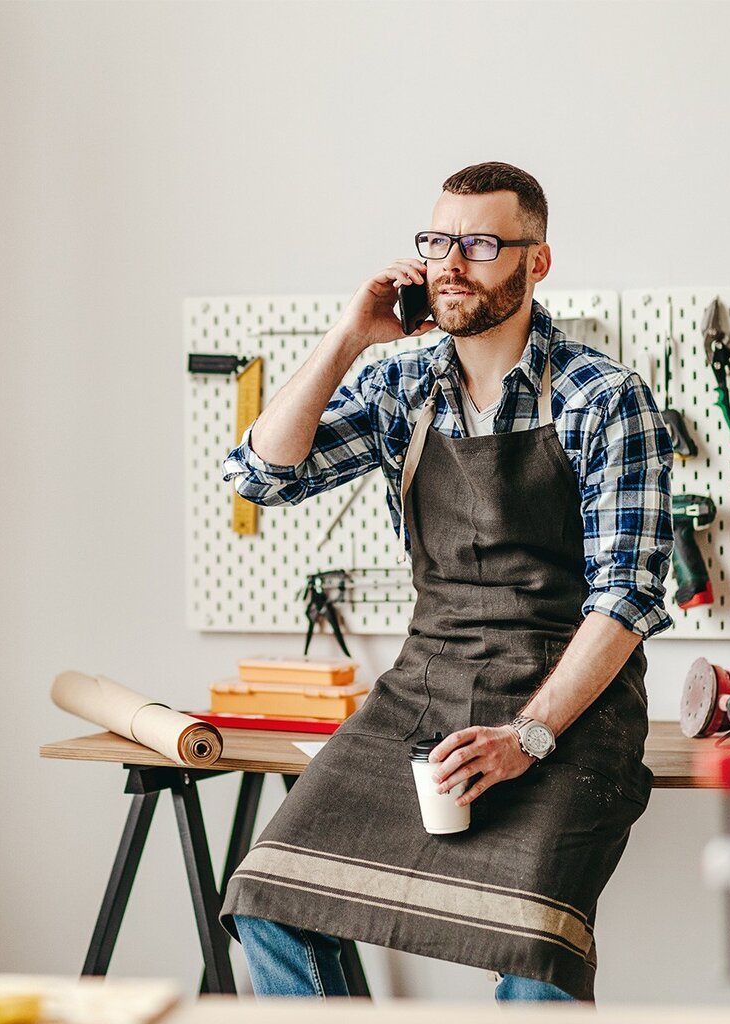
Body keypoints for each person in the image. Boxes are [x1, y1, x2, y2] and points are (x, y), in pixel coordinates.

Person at [218, 161, 674, 1003]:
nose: (450, 264)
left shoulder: (605, 399)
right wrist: (350, 337)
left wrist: (525, 738)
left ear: (536, 263)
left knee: (536, 955)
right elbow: (261, 476)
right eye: (437, 242)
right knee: (267, 899)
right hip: (425, 687)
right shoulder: (402, 383)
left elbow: (627, 601)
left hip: (566, 713)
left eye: (480, 243)